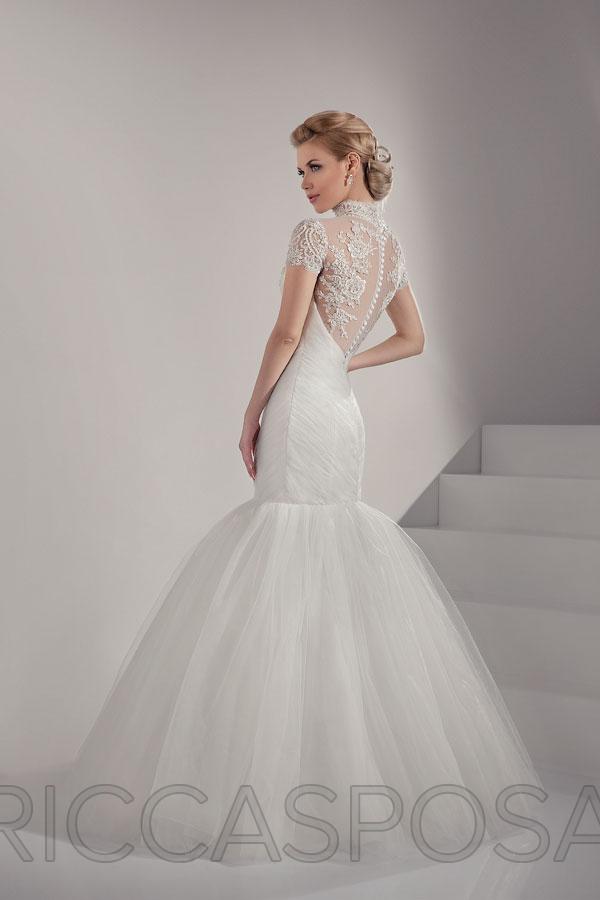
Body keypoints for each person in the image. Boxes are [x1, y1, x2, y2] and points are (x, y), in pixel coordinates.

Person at [57, 110, 544, 865]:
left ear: (350, 163)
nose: (305, 183)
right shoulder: (389, 248)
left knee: (282, 552)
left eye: (314, 166)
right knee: (334, 556)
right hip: (340, 412)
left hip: (301, 407)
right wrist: (344, 364)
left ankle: (272, 780)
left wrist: (251, 412)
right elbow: (413, 338)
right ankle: (341, 781)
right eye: (299, 171)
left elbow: (286, 335)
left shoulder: (313, 236)